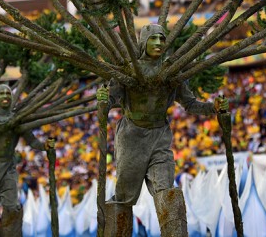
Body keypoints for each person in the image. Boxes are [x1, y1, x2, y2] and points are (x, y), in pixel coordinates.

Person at [96, 24, 227, 236]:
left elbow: (191, 104)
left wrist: (214, 108)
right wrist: (103, 100)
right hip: (132, 137)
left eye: (162, 39)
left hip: (159, 136)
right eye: (153, 39)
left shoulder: (171, 71)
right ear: (143, 42)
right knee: (124, 195)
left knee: (166, 188)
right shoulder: (129, 69)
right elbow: (110, 99)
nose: (158, 43)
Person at [0, 84, 51, 237]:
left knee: (11, 206)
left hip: (8, 166)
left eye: (8, 93)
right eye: (1, 94)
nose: (5, 96)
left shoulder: (16, 119)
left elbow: (32, 141)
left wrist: (45, 146)